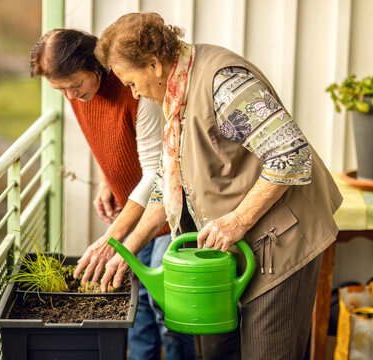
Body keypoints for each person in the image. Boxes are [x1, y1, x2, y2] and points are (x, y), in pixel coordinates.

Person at [94, 12, 343, 360]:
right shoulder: (175, 90)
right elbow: (168, 183)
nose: (132, 93)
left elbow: (290, 154)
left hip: (282, 240)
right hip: (232, 251)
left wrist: (236, 221)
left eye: (131, 82)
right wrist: (129, 247)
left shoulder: (222, 83)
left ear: (153, 64)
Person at [29, 29, 196, 360]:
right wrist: (108, 180)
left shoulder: (136, 91)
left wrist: (113, 237)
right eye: (60, 90)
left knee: (166, 306)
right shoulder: (80, 94)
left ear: (95, 64)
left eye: (74, 85)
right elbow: (108, 139)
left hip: (167, 211)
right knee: (135, 300)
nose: (70, 96)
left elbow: (156, 172)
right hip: (134, 208)